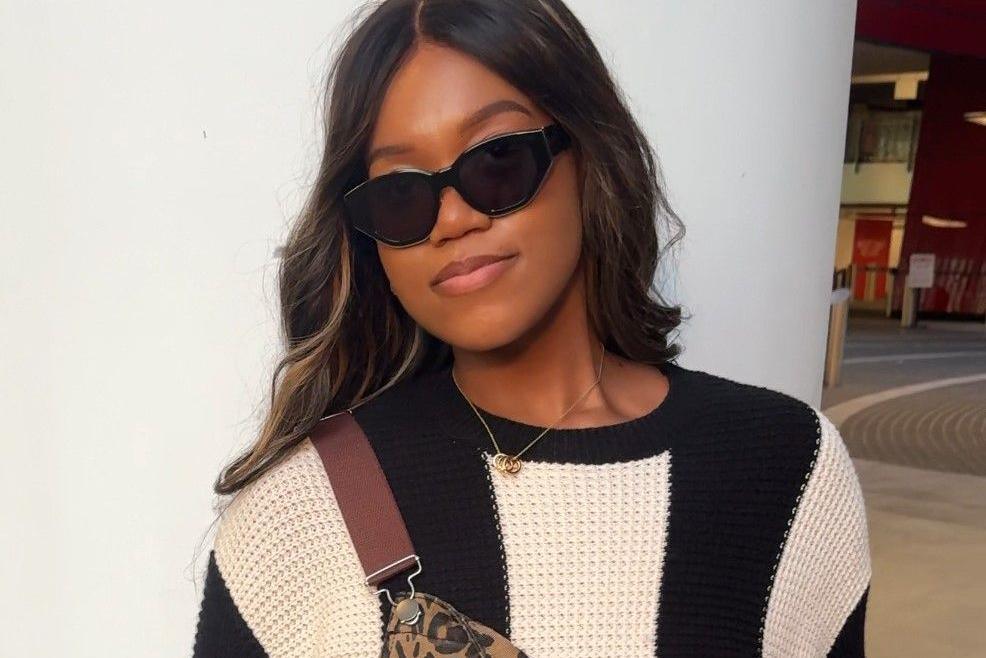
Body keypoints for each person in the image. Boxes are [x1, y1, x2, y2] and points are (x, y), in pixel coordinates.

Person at [191, 0, 871, 656]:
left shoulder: (786, 474)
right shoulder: (293, 519)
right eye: (401, 193)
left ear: (589, 157)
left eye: (496, 161)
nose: (454, 219)